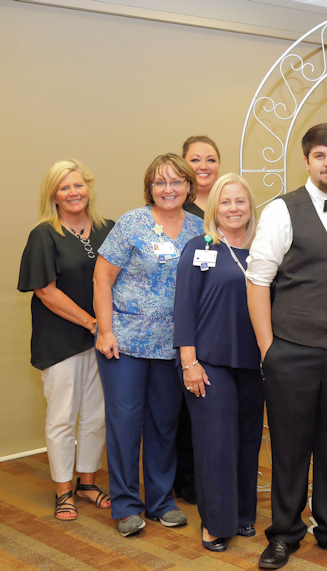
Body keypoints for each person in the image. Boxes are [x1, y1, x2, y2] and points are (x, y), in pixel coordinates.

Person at [246, 123, 327, 569]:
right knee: (290, 443)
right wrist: (268, 349)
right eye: (320, 156)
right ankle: (283, 532)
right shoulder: (282, 210)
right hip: (291, 348)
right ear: (307, 161)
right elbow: (258, 279)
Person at [93, 154, 204, 537]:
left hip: (173, 347)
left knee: (164, 425)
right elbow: (102, 279)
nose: (168, 189)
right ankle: (125, 506)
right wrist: (105, 331)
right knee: (125, 425)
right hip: (124, 343)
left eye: (176, 181)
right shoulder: (131, 224)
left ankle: (160, 502)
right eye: (160, 182)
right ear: (149, 188)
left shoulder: (200, 229)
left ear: (189, 186)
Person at [18, 160, 114, 521]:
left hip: (103, 339)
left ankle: (87, 484)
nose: (73, 193)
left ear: (88, 188)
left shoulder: (108, 229)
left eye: (78, 185)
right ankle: (63, 490)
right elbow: (45, 291)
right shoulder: (44, 234)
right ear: (53, 196)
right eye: (64, 188)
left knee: (96, 416)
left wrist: (104, 329)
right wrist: (93, 323)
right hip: (61, 340)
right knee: (62, 418)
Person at [174, 173, 263, 552]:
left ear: (250, 206)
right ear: (214, 208)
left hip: (254, 363)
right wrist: (189, 362)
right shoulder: (200, 246)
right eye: (225, 202)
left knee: (247, 440)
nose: (233, 209)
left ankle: (242, 515)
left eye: (240, 201)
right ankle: (214, 523)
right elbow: (184, 308)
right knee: (215, 444)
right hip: (209, 363)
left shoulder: (265, 250)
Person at [174, 134, 222, 505]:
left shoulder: (227, 207)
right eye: (195, 159)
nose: (203, 166)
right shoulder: (175, 207)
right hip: (185, 322)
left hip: (220, 323)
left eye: (210, 159)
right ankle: (185, 479)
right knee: (181, 409)